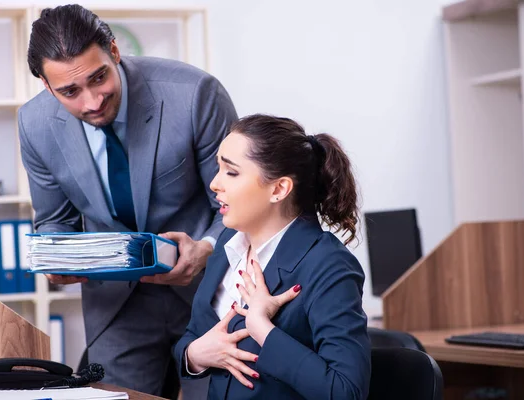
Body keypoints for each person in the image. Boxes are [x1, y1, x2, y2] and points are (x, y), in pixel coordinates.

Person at [18, 4, 238, 398]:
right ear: (46, 86)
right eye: (69, 91)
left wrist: (205, 247)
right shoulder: (34, 125)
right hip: (116, 302)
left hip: (210, 290)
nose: (91, 102)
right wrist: (58, 260)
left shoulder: (194, 95)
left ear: (114, 52)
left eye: (98, 77)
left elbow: (239, 206)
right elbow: (53, 221)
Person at [174, 114, 371, 399]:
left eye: (231, 172)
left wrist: (263, 329)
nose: (215, 184)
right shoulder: (229, 244)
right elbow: (193, 337)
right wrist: (195, 355)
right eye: (218, 168)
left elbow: (346, 391)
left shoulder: (329, 264)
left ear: (278, 189)